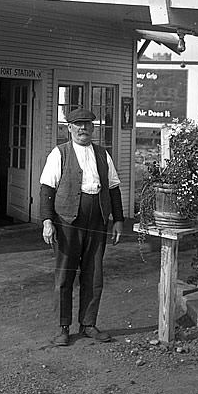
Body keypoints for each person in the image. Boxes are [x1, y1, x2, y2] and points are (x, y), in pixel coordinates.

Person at [39, 108, 125, 347]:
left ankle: (88, 324)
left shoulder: (102, 154)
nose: (82, 128)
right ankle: (63, 328)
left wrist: (118, 219)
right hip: (67, 221)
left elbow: (114, 188)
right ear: (69, 128)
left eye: (87, 124)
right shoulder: (59, 153)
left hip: (97, 220)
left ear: (93, 128)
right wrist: (47, 221)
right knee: (65, 274)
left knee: (94, 274)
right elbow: (47, 189)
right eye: (77, 124)